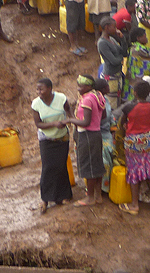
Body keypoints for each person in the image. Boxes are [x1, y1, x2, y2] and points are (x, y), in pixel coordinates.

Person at [119, 81, 150, 215]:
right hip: (148, 140)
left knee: (134, 171)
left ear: (135, 93)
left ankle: (135, 205)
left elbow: (122, 122)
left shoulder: (129, 107)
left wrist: (124, 128)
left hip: (133, 142)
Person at [31, 78, 72, 213]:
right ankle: (45, 199)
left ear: (50, 88)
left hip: (62, 137)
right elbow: (38, 124)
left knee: (60, 166)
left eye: (41, 89)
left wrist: (68, 121)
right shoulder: (36, 104)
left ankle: (63, 196)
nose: (39, 92)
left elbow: (68, 111)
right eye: (37, 89)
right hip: (46, 139)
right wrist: (54, 124)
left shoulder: (61, 98)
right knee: (48, 167)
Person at [64, 75, 106, 207]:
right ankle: (98, 195)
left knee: (89, 167)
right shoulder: (98, 95)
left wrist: (70, 120)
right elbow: (103, 115)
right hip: (96, 134)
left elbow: (85, 122)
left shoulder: (87, 99)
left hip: (87, 135)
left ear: (89, 86)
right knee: (97, 164)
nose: (78, 88)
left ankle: (90, 197)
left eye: (81, 86)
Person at [97, 17, 126, 109]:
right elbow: (113, 61)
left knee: (118, 101)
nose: (116, 29)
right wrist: (121, 58)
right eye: (114, 27)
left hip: (117, 75)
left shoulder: (112, 40)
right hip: (110, 77)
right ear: (106, 27)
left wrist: (122, 39)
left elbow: (124, 52)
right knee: (112, 103)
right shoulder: (102, 43)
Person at [94, 79, 114, 193]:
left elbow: (111, 116)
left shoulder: (106, 99)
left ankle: (110, 184)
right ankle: (101, 187)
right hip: (98, 133)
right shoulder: (96, 101)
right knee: (104, 160)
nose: (109, 87)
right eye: (107, 86)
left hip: (107, 132)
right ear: (102, 89)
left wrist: (114, 129)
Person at [123, 28, 150, 101]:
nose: (146, 38)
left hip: (133, 79)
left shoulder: (131, 48)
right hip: (141, 80)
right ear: (138, 38)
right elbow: (149, 56)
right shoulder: (142, 50)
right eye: (145, 36)